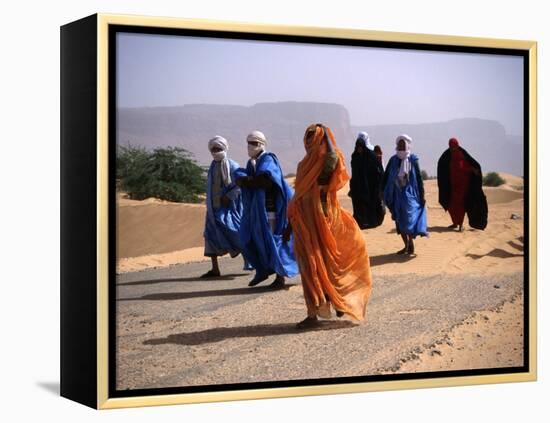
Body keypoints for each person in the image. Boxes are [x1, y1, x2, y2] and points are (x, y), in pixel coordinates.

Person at [286, 124, 373, 329]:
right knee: (310, 267)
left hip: (323, 220)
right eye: (306, 136)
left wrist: (326, 137)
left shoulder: (328, 162)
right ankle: (314, 312)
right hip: (303, 222)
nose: (308, 141)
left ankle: (336, 300)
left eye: (312, 137)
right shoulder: (303, 165)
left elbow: (332, 160)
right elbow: (298, 195)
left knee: (325, 264)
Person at [235, 130, 298, 287]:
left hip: (270, 211)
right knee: (250, 240)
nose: (251, 146)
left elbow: (266, 181)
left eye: (255, 143)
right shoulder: (252, 162)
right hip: (256, 212)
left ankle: (279, 277)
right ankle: (262, 271)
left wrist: (247, 180)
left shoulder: (268, 159)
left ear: (262, 144)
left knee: (272, 243)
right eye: (249, 143)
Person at [201, 136, 251, 278]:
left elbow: (241, 185)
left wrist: (228, 196)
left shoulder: (233, 165)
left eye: (218, 149)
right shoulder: (212, 167)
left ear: (225, 148)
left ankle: (251, 261)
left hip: (229, 209)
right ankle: (215, 269)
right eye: (214, 149)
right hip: (213, 210)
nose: (216, 152)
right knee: (210, 236)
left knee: (237, 233)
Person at [383, 134, 428, 256]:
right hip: (395, 194)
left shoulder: (413, 159)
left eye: (403, 145)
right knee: (398, 220)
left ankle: (410, 243)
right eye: (399, 145)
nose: (401, 147)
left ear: (407, 145)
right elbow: (386, 175)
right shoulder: (393, 160)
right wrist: (382, 191)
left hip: (410, 196)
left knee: (408, 220)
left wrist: (422, 195)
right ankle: (406, 245)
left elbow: (418, 178)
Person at [437, 137, 488, 231]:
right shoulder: (446, 155)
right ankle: (455, 223)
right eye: (451, 146)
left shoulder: (462, 154)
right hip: (451, 186)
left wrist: (473, 170)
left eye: (454, 146)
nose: (453, 148)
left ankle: (460, 224)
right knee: (451, 205)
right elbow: (442, 168)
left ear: (457, 145)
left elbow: (468, 164)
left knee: (460, 205)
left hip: (463, 186)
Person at [349, 132, 385, 229]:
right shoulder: (355, 157)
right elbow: (354, 171)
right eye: (358, 147)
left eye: (361, 147)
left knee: (371, 203)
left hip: (370, 186)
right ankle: (361, 222)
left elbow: (379, 170)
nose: (359, 149)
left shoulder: (371, 156)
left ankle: (372, 221)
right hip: (358, 185)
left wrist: (379, 183)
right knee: (359, 205)